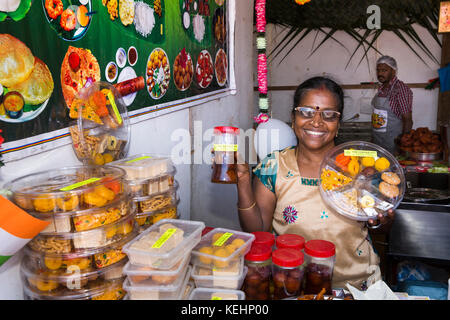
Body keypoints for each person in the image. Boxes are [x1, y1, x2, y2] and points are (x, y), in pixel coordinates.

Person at [235, 76, 395, 290]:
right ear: (293, 118)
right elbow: (259, 231)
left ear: (338, 124)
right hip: (292, 286)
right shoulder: (274, 166)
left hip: (357, 287)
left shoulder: (360, 167)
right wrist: (244, 182)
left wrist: (381, 222)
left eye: (328, 114)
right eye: (306, 112)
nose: (317, 121)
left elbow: (378, 224)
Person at [372, 56, 413, 154]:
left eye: (384, 70)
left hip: (393, 145)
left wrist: (402, 146)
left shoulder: (400, 89)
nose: (380, 73)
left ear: (393, 71)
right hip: (377, 142)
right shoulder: (381, 89)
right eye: (378, 70)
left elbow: (407, 120)